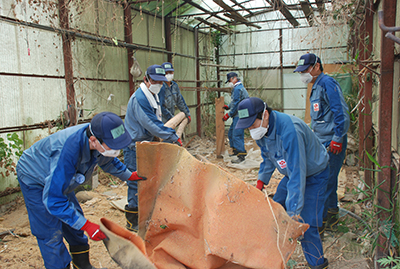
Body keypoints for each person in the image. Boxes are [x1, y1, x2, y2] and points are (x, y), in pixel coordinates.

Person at [16, 112, 146, 269]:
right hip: (35, 177)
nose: (116, 150)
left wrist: (129, 175)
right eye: (113, 146)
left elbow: (108, 161)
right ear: (93, 141)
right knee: (50, 232)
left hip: (61, 178)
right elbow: (53, 200)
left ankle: (82, 264)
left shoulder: (99, 139)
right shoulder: (67, 152)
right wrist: (87, 226)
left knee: (74, 220)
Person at [236, 97, 330, 269]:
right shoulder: (262, 130)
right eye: (248, 126)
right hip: (292, 173)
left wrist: (294, 212)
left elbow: (297, 174)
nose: (251, 130)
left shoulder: (290, 131)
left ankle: (318, 264)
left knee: (305, 223)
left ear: (264, 115)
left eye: (252, 124)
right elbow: (268, 159)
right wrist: (260, 182)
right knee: (274, 208)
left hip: (314, 175)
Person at [294, 53, 350, 236]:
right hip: (322, 141)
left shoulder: (327, 83)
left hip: (332, 143)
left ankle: (320, 225)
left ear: (317, 66)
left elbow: (341, 112)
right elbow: (321, 118)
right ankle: (333, 215)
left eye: (305, 70)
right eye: (300, 71)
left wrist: (338, 138)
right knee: (329, 180)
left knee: (324, 182)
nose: (303, 74)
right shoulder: (316, 86)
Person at [124, 64, 182, 232]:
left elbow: (158, 118)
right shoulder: (140, 98)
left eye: (161, 82)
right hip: (134, 146)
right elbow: (152, 124)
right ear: (146, 80)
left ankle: (146, 215)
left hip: (145, 144)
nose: (158, 84)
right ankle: (132, 220)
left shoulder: (153, 95)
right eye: (155, 81)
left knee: (148, 180)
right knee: (135, 181)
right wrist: (172, 136)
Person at [222, 72, 249, 163]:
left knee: (237, 134)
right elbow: (235, 101)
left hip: (240, 114)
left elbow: (236, 103)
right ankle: (236, 151)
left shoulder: (237, 89)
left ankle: (241, 156)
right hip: (240, 113)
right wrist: (229, 106)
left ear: (234, 78)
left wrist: (228, 115)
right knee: (231, 133)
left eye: (229, 80)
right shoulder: (238, 88)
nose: (229, 82)